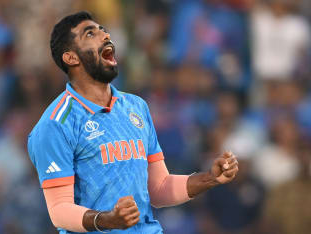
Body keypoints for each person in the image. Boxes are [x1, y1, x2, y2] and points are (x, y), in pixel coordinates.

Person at [27, 11, 239, 233]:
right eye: (90, 33)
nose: (105, 36)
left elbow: (158, 187)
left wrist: (209, 178)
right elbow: (59, 211)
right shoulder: (56, 124)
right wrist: (107, 219)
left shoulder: (136, 107)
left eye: (104, 31)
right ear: (71, 57)